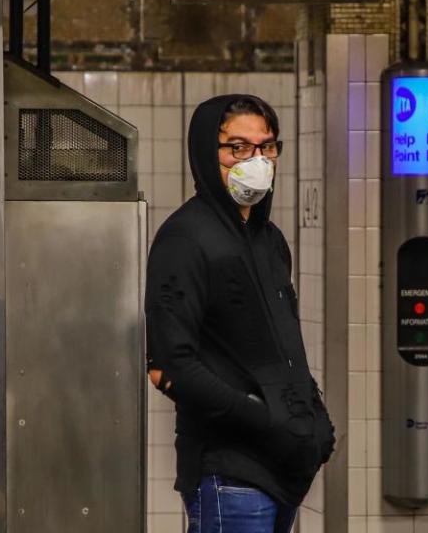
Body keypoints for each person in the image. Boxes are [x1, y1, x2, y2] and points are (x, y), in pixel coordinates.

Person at [145, 94, 335, 533]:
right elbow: (169, 366)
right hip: (228, 475)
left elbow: (282, 344)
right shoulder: (185, 239)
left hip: (283, 472)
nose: (257, 160)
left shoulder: (270, 241)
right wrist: (266, 421)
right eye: (238, 148)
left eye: (266, 147)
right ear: (206, 155)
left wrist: (316, 419)